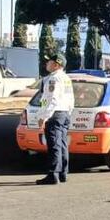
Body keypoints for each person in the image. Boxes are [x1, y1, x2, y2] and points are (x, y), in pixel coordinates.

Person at [36, 53, 75, 185]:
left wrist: (44, 117)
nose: (46, 63)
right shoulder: (66, 78)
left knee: (54, 145)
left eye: (49, 62)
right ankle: (63, 173)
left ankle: (53, 174)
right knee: (63, 144)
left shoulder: (54, 79)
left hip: (55, 114)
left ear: (56, 65)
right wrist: (68, 112)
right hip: (64, 113)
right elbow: (71, 99)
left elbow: (52, 99)